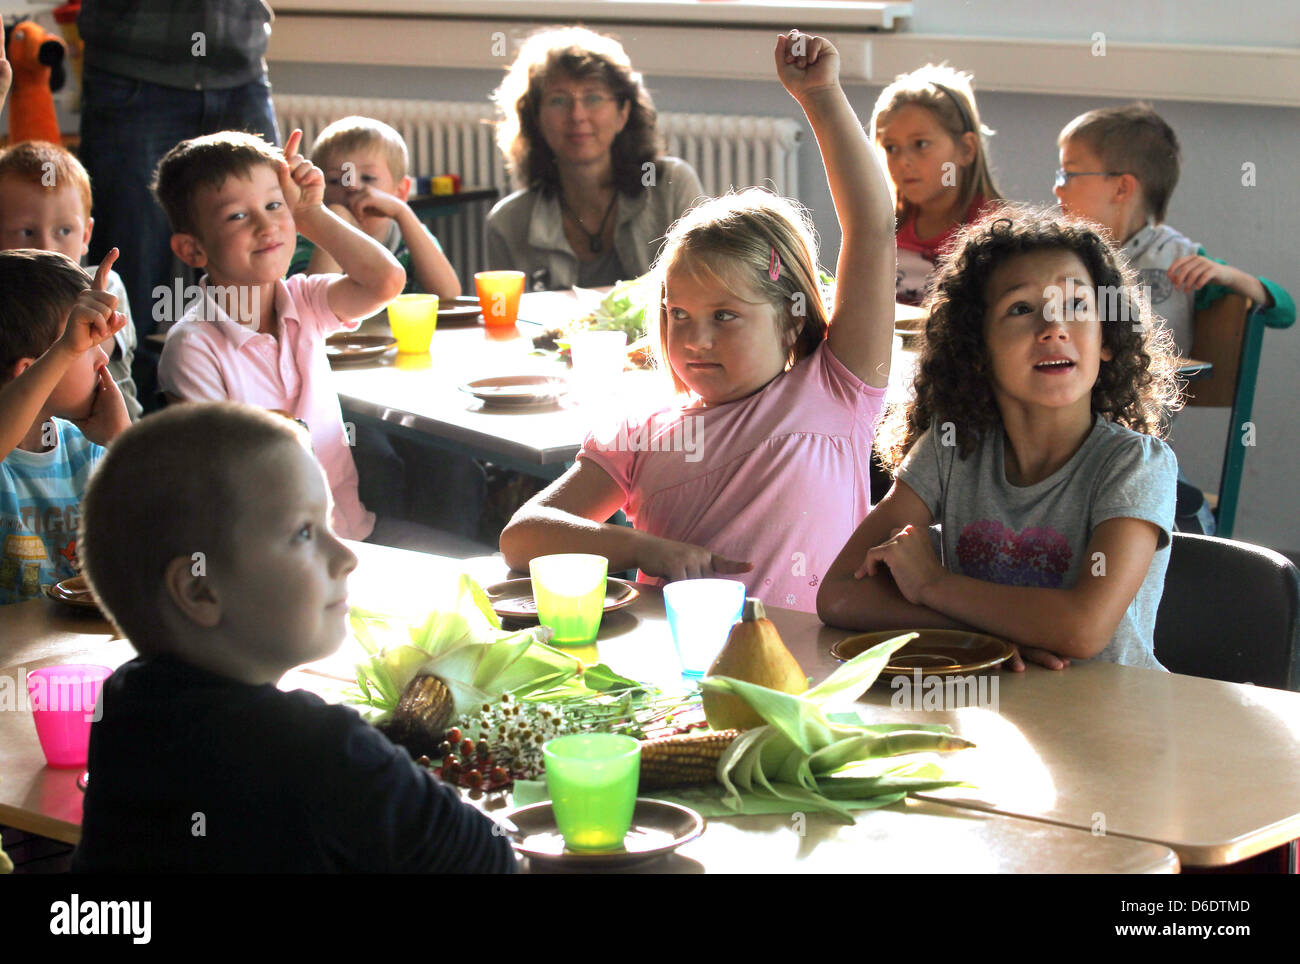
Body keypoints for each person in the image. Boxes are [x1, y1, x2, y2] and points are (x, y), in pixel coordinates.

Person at [500, 31, 895, 614]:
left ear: (791, 319)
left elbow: (872, 226)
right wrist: (638, 548)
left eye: (725, 316)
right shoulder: (642, 428)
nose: (694, 339)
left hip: (809, 685)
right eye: (677, 314)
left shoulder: (835, 390)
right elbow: (523, 537)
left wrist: (822, 97)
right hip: (679, 682)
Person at [71, 402, 517, 873]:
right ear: (200, 588)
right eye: (304, 533)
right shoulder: (323, 749)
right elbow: (488, 860)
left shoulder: (125, 706)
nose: (346, 556)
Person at [817, 206, 1182, 670]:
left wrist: (933, 586)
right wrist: (989, 635)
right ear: (977, 349)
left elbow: (1082, 628)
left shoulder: (1135, 465)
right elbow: (839, 596)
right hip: (994, 711)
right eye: (1021, 309)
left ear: (1106, 338)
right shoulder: (952, 448)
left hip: (1112, 724)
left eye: (1076, 305)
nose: (1053, 328)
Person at [154, 129, 406, 543]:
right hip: (268, 556)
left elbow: (386, 281)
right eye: (238, 215)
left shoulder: (304, 300)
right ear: (192, 250)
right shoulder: (193, 348)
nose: (266, 225)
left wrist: (311, 213)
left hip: (351, 535)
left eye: (275, 205)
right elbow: (220, 476)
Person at [77, 0, 280, 345]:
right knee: (131, 271)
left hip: (239, 64)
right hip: (131, 65)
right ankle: (129, 394)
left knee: (265, 258)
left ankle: (262, 393)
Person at [1054, 102, 1294, 358]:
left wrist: (1229, 277)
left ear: (1122, 188)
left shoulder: (1179, 261)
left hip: (1155, 396)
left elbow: (1284, 313)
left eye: (1069, 174)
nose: (1057, 188)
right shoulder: (1060, 255)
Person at [486, 25, 705, 291]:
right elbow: (510, 325)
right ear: (535, 118)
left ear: (623, 113)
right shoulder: (508, 222)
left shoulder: (671, 185)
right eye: (558, 101)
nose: (577, 115)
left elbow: (705, 291)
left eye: (593, 97)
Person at [0, 252, 129, 605]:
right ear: (30, 371)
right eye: (86, 347)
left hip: (74, 648)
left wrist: (123, 445)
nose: (103, 359)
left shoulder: (84, 446)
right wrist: (64, 352)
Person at [0, 141, 142, 419]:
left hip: (114, 445)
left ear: (86, 235)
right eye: (27, 232)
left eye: (64, 230)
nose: (47, 246)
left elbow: (91, 345)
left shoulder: (102, 285)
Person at [870, 64, 1003, 306]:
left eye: (920, 144)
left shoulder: (997, 233)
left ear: (966, 149)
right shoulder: (885, 227)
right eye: (891, 148)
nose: (903, 162)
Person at [287, 116, 462, 299]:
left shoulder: (410, 236)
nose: (351, 186)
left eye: (368, 178)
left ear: (401, 191)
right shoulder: (310, 238)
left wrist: (402, 212)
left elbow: (448, 295)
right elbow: (311, 300)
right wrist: (337, 220)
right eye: (335, 180)